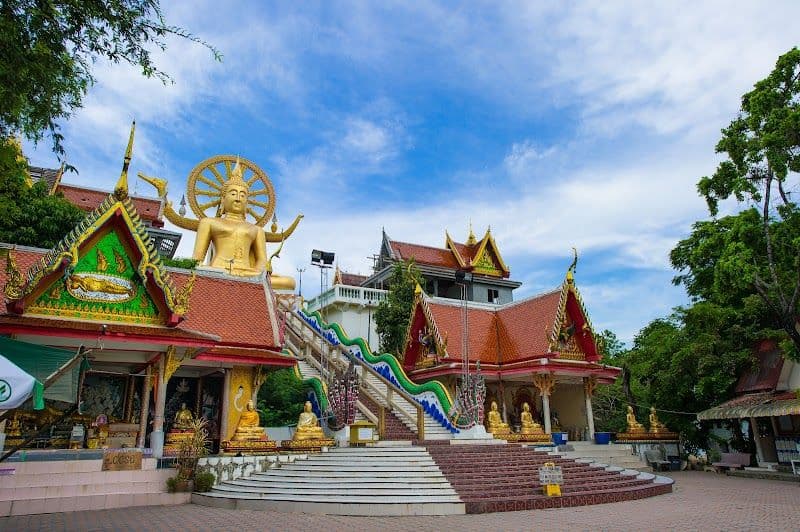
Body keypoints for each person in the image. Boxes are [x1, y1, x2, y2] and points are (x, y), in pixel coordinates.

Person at [192, 160, 267, 276]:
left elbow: (262, 261)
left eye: (242, 195)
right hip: (218, 269)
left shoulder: (257, 230)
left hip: (247, 273)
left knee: (288, 282)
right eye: (233, 194)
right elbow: (196, 260)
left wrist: (254, 273)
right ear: (223, 198)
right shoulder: (209, 222)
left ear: (247, 202)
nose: (238, 198)